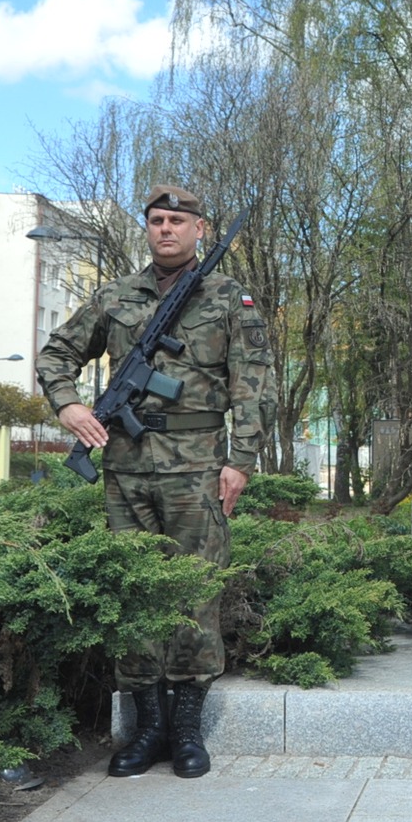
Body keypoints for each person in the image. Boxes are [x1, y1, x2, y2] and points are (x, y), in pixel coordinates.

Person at [37, 187, 272, 779]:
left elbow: (252, 384)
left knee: (196, 590)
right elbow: (57, 353)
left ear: (200, 228)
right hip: (126, 465)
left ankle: (188, 732)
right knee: (135, 592)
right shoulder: (116, 296)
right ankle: (147, 731)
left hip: (198, 464)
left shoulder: (229, 298)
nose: (165, 230)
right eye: (156, 221)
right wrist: (67, 405)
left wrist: (240, 460)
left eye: (177, 221)